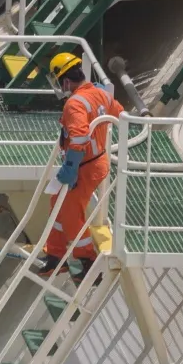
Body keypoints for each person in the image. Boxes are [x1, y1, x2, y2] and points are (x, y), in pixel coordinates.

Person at [36, 52, 122, 276]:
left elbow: (80, 137)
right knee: (56, 202)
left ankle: (87, 262)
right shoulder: (100, 93)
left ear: (66, 81)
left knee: (70, 214)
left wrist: (71, 168)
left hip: (84, 167)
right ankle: (55, 255)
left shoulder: (74, 104)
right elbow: (120, 113)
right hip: (96, 162)